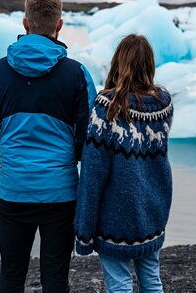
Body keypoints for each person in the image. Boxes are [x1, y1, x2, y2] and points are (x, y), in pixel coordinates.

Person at [0, 0, 96, 293]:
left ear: (26, 24)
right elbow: (89, 135)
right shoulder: (77, 73)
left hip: (14, 190)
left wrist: (11, 150)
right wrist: (67, 156)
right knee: (55, 278)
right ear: (60, 25)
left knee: (12, 275)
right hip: (60, 192)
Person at [74, 34, 174, 293]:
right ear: (149, 65)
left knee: (119, 285)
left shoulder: (107, 106)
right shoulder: (163, 103)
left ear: (117, 62)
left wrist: (84, 231)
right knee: (152, 280)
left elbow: (93, 173)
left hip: (114, 219)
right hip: (152, 212)